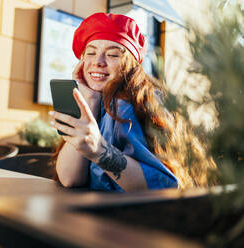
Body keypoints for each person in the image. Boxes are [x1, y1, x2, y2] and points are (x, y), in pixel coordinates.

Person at [49, 13, 217, 192]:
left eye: (113, 54)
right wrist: (90, 101)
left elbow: (163, 185)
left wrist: (98, 149)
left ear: (131, 65)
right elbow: (69, 178)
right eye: (90, 52)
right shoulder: (96, 102)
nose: (98, 62)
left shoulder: (128, 106)